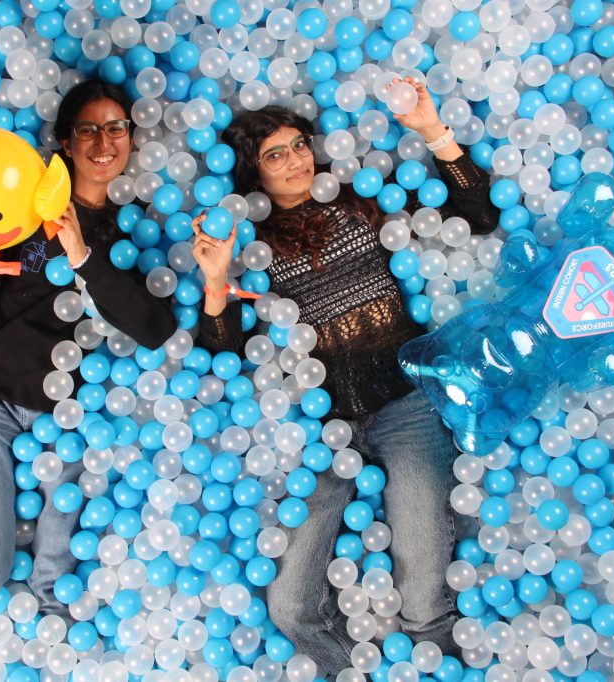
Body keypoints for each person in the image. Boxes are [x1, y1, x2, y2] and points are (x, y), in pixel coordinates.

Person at [193, 79, 499, 676]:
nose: (295, 160)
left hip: (404, 404)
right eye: (274, 154)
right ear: (253, 175)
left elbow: (479, 217)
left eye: (299, 144)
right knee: (288, 607)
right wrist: (216, 282)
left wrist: (433, 131)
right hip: (318, 431)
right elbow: (219, 354)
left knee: (424, 602)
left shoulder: (360, 200)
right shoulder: (248, 244)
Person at [0, 80, 178, 621]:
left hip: (66, 419)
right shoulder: (19, 211)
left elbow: (154, 330)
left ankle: (58, 655)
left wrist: (83, 255)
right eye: (89, 129)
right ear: (65, 141)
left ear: (131, 139)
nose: (104, 141)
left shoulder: (129, 231)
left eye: (116, 128)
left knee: (53, 579)